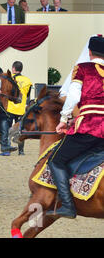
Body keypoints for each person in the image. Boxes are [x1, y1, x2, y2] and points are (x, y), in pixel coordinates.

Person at [47, 35, 104, 219]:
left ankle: (68, 206)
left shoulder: (83, 68)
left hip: (89, 127)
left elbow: (72, 96)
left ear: (89, 52)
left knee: (55, 160)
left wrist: (64, 119)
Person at [4, 61, 32, 156]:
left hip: (10, 108)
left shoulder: (10, 79)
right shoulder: (28, 81)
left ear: (13, 69)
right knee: (20, 129)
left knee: (7, 128)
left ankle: (7, 150)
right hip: (21, 109)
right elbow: (28, 95)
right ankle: (21, 151)